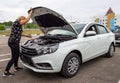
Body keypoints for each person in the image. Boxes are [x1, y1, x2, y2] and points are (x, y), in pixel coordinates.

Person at [3, 8, 33, 77]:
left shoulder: (18, 25)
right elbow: (26, 21)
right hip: (13, 42)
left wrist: (26, 35)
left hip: (14, 42)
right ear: (21, 19)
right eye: (23, 19)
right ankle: (5, 72)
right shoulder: (17, 22)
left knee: (17, 55)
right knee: (14, 57)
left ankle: (16, 67)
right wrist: (30, 14)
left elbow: (19, 33)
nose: (24, 22)